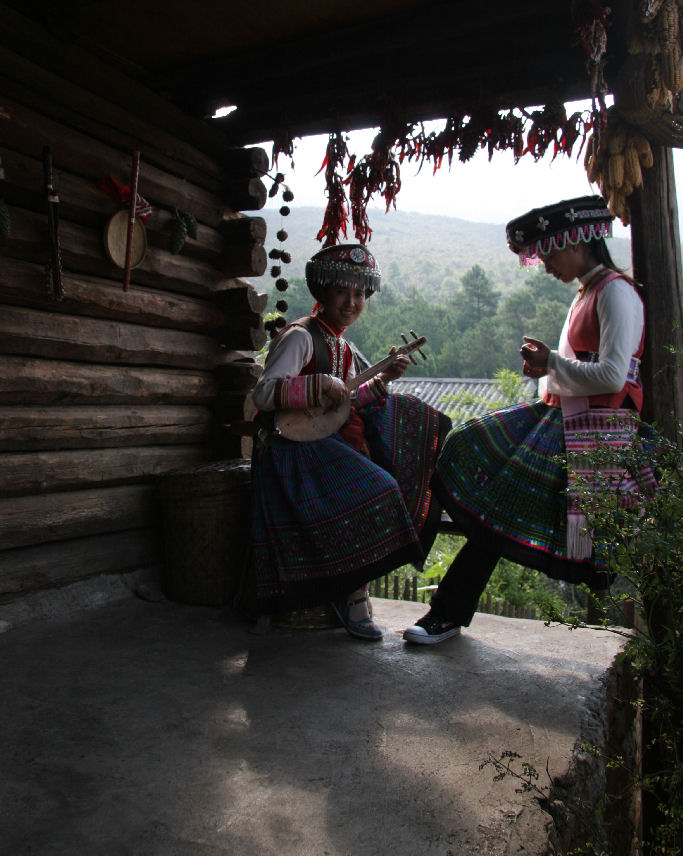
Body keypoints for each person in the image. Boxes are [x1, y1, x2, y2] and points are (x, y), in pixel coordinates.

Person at [403, 194, 652, 645]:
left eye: (550, 253)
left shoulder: (616, 292)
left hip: (597, 432)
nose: (546, 265)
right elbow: (581, 368)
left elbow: (615, 374)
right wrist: (546, 368)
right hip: (564, 420)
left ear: (580, 241)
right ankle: (448, 611)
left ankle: (624, 642)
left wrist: (551, 362)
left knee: (583, 542)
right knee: (481, 474)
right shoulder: (590, 292)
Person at [250, 242, 450, 640]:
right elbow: (263, 394)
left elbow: (344, 402)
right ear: (321, 292)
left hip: (317, 442)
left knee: (411, 450)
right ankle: (348, 590)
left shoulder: (343, 346)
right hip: (287, 450)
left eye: (360, 294)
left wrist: (384, 380)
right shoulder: (300, 337)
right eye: (342, 290)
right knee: (379, 488)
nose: (352, 301)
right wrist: (317, 384)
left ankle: (350, 586)